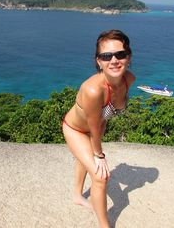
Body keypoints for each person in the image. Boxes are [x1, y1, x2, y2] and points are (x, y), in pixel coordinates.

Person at [62, 29, 135, 228]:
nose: (114, 60)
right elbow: (93, 125)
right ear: (98, 62)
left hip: (96, 128)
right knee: (101, 176)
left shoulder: (129, 81)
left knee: (85, 161)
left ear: (128, 58)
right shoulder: (92, 90)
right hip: (76, 129)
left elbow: (103, 118)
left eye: (120, 54)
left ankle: (77, 196)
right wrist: (99, 154)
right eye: (106, 56)